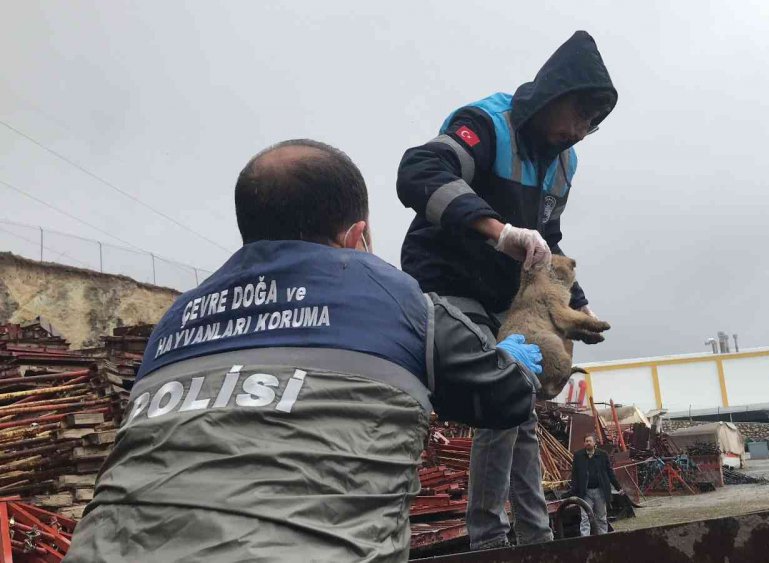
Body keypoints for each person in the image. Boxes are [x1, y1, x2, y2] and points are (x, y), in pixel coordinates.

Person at [65, 139, 544, 562]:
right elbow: (502, 398)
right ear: (355, 235)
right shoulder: (394, 297)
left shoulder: (177, 317)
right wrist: (514, 367)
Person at [396, 30, 618, 549]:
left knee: (519, 402)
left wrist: (578, 304)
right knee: (503, 383)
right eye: (581, 116)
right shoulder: (485, 125)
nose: (583, 131)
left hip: (502, 296)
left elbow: (550, 239)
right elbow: (419, 171)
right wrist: (498, 231)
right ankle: (488, 540)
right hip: (444, 278)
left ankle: (536, 536)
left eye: (594, 125)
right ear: (554, 95)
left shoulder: (565, 162)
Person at [570, 434, 622, 536]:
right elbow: (574, 474)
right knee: (585, 517)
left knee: (601, 517)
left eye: (590, 441)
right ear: (584, 443)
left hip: (600, 491)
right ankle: (585, 539)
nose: (588, 443)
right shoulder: (578, 455)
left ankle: (602, 537)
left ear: (594, 443)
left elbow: (610, 472)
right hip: (585, 492)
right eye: (586, 441)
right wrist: (574, 490)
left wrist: (618, 487)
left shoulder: (602, 455)